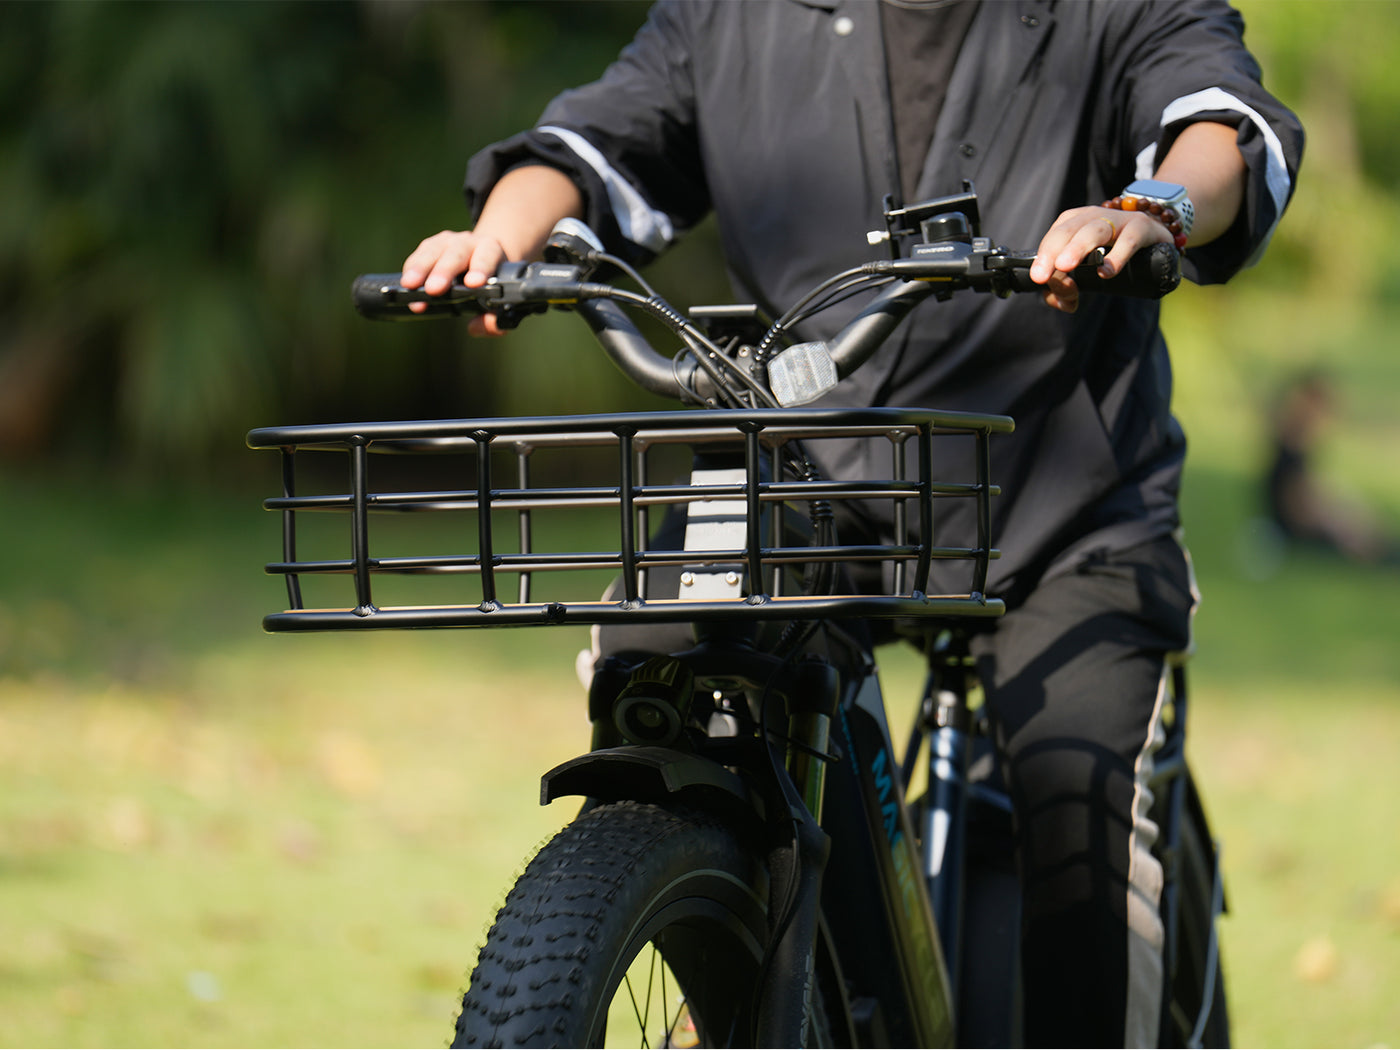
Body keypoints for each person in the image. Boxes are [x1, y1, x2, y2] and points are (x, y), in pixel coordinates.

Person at [400, 2, 1304, 1045]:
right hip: (809, 489)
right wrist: (498, 240)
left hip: (1057, 508)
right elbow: (596, 144)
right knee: (658, 661)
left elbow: (1216, 120)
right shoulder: (732, 17)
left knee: (1079, 816)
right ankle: (744, 932)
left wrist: (1152, 207)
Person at [1265, 368, 1397, 564]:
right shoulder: (1289, 448)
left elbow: (1310, 490)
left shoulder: (1297, 446)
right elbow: (1297, 507)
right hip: (1301, 533)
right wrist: (1338, 525)